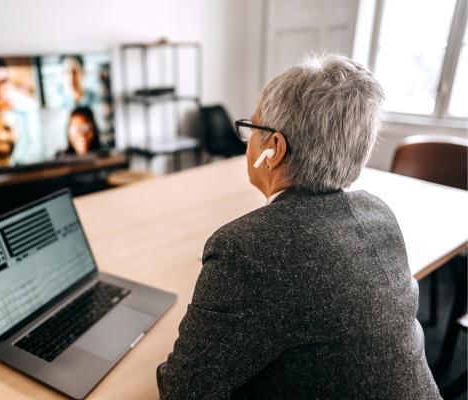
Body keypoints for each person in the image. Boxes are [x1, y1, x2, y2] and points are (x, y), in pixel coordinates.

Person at [156, 55, 441, 399]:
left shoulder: (245, 249)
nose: (247, 143)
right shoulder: (379, 214)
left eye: (253, 130)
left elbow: (182, 390)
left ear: (274, 148)